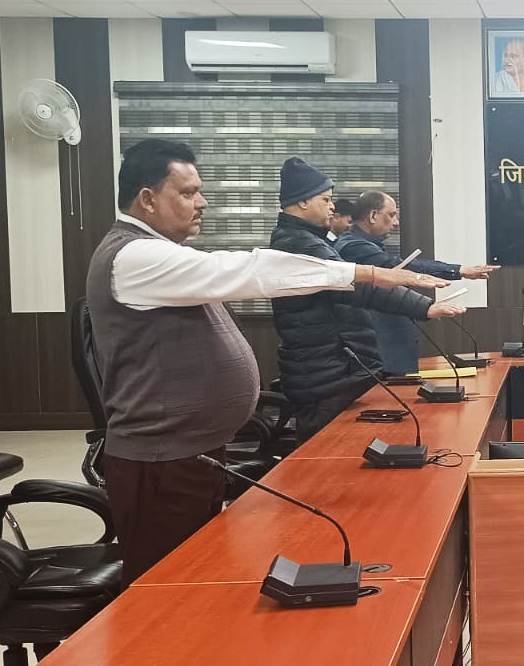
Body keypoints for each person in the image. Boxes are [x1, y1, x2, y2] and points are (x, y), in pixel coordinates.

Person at [86, 139, 450, 585]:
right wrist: (366, 272)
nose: (202, 203)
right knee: (166, 592)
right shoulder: (134, 255)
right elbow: (250, 270)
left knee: (198, 581)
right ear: (147, 198)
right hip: (161, 462)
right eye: (188, 192)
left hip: (188, 454)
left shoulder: (158, 253)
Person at [269, 158, 465, 441]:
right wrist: (426, 307)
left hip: (330, 372)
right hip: (326, 376)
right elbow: (359, 286)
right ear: (302, 202)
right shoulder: (300, 243)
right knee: (331, 454)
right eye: (325, 199)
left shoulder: (309, 239)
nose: (332, 207)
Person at [335, 190, 498, 373]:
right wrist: (459, 270)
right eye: (391, 215)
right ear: (373, 215)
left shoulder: (365, 244)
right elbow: (401, 267)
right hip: (377, 349)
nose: (396, 223)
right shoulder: (353, 246)